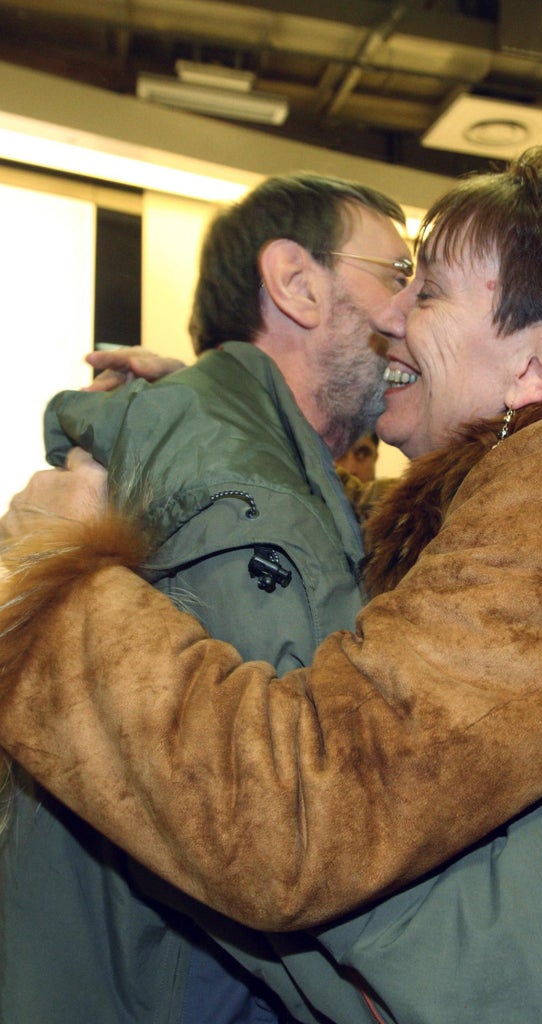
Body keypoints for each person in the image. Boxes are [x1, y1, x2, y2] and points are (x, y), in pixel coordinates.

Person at [0, 149, 542, 1021]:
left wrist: (57, 583)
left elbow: (299, 823)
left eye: (426, 290)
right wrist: (220, 420)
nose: (390, 316)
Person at [0, 171, 413, 1024]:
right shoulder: (241, 479)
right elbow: (311, 818)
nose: (411, 313)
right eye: (398, 275)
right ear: (297, 284)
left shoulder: (230, 452)